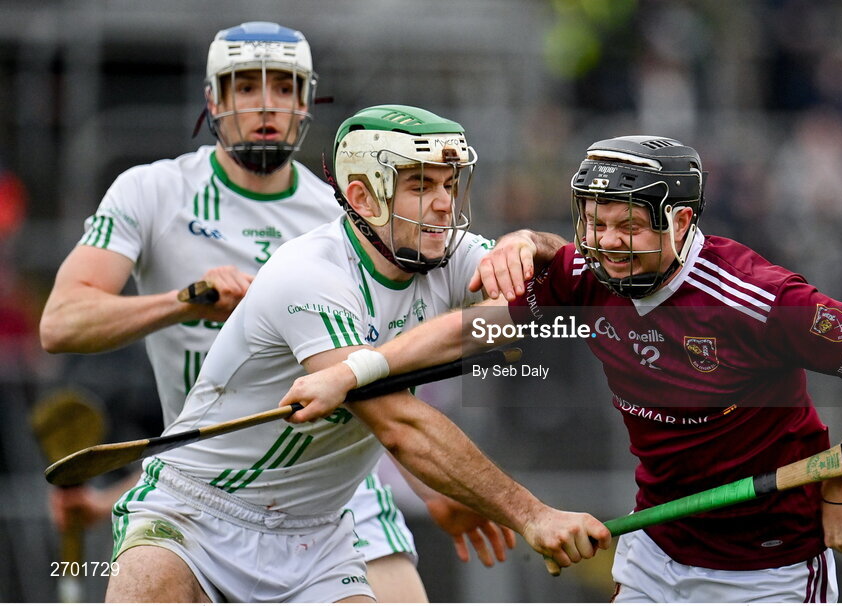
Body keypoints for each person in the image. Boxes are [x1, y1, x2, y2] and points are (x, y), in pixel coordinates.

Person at [280, 135, 842, 602]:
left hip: (770, 569)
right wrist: (358, 370)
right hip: (656, 547)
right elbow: (473, 333)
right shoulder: (590, 274)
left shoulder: (758, 299)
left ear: (679, 221)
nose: (607, 242)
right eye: (594, 223)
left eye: (626, 225)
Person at [38, 22, 525, 602]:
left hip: (337, 484)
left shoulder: (352, 216)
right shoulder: (153, 193)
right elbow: (61, 323)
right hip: (208, 474)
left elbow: (396, 368)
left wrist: (440, 488)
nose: (267, 104)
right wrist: (181, 303)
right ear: (214, 101)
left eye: (287, 88)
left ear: (307, 103)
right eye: (246, 87)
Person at [98, 104, 610, 602]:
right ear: (364, 198)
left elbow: (568, 283)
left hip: (317, 536)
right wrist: (531, 514)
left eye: (449, 185)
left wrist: (528, 243)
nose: (442, 204)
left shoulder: (447, 254)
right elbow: (399, 425)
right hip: (197, 516)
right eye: (420, 185)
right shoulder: (310, 275)